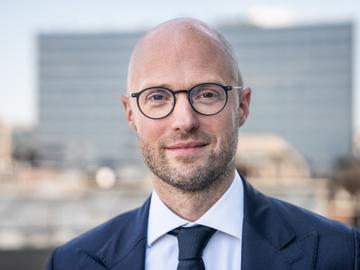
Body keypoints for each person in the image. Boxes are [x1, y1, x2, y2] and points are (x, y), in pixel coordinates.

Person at [47, 18, 359, 270]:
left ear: (242, 106)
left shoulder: (341, 254)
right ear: (131, 115)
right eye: (157, 96)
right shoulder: (72, 262)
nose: (184, 120)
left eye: (207, 93)